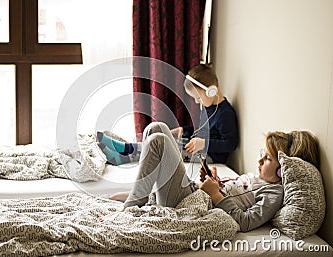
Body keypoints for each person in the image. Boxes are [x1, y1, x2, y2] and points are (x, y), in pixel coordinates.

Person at [99, 125, 320, 233]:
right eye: (262, 154)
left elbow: (245, 221)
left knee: (158, 140)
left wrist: (215, 194)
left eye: (268, 158)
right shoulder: (257, 178)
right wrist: (216, 182)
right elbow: (236, 191)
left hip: (192, 203)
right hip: (194, 192)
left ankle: (131, 206)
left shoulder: (273, 193)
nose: (260, 160)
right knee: (156, 128)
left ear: (282, 171)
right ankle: (144, 197)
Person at [97, 64, 239, 165]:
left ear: (211, 91)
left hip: (208, 156)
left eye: (199, 98)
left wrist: (204, 144)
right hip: (195, 146)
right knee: (160, 134)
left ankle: (124, 154)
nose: (197, 102)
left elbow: (230, 144)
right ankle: (126, 149)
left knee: (162, 146)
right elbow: (202, 129)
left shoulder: (225, 114)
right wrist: (184, 130)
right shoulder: (209, 106)